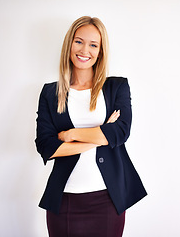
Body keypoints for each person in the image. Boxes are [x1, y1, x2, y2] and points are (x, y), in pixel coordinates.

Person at [35, 16, 147, 237]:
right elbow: (47, 147)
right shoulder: (50, 92)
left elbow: (120, 132)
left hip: (108, 198)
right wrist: (101, 133)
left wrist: (71, 135)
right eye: (78, 41)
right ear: (69, 44)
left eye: (93, 44)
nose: (84, 50)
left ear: (100, 51)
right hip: (64, 198)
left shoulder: (117, 87)